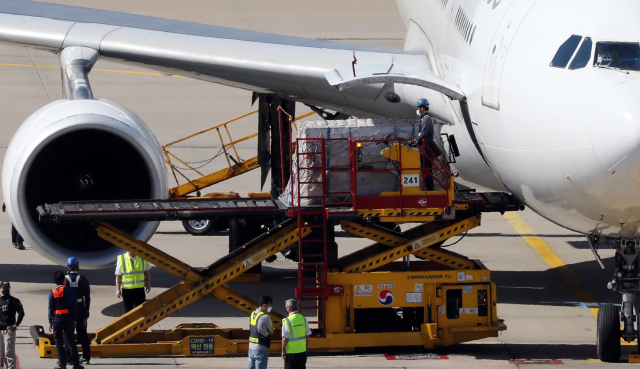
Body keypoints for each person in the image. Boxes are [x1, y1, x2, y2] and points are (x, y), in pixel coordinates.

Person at [48, 271, 83, 369]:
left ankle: (62, 365)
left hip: (57, 321)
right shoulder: (71, 291)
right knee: (71, 342)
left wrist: (50, 321)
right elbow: (74, 307)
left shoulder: (53, 292)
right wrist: (74, 319)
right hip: (68, 320)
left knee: (58, 343)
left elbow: (51, 308)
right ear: (64, 280)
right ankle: (76, 364)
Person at [65, 257, 91, 364]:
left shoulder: (65, 279)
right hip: (80, 308)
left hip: (69, 310)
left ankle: (69, 357)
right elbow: (87, 297)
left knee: (67, 334)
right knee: (82, 334)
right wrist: (87, 309)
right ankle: (86, 357)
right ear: (77, 266)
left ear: (68, 266)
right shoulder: (83, 279)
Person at [0, 281, 25, 369]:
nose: (5, 290)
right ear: (0, 289)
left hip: (9, 329)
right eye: (4, 288)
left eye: (7, 288)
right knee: (2, 353)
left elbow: (21, 313)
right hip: (0, 329)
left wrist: (15, 325)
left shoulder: (14, 301)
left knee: (9, 352)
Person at [281, 299, 311, 369]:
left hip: (291, 353)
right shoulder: (303, 319)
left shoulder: (287, 321)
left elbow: (285, 338)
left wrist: (283, 351)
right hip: (302, 352)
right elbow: (307, 336)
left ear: (288, 308)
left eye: (286, 307)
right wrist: (305, 347)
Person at [248, 294, 274, 369]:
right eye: (269, 305)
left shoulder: (252, 314)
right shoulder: (265, 317)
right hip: (260, 348)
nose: (270, 307)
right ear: (264, 305)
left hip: (251, 348)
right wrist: (272, 326)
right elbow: (271, 331)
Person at [416, 98, 435, 191]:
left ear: (422, 108)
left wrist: (415, 141)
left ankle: (430, 190)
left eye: (418, 108)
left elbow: (423, 133)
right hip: (425, 148)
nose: (417, 110)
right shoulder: (425, 119)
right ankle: (429, 189)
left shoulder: (425, 120)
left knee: (427, 170)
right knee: (426, 170)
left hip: (426, 149)